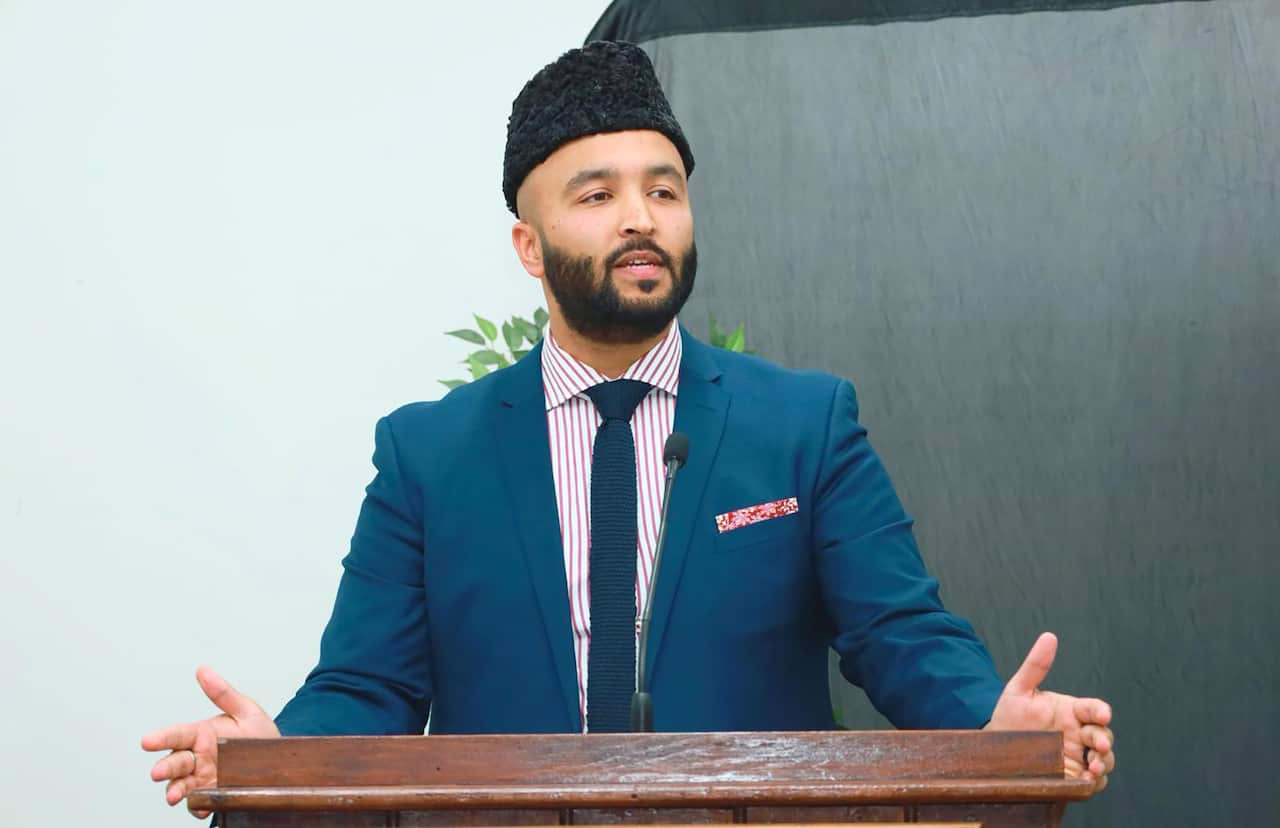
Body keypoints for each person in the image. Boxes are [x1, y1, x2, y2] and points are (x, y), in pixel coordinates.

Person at [143, 41, 1115, 817]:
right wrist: (276, 758)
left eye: (663, 189)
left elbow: (900, 635)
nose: (639, 218)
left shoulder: (802, 425)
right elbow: (366, 689)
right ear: (528, 246)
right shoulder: (427, 455)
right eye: (597, 194)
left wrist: (998, 724)